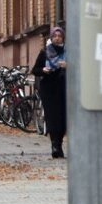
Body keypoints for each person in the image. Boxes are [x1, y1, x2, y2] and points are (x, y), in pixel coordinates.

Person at [34, 25, 67, 158]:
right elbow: (35, 70)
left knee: (63, 118)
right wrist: (43, 70)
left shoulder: (68, 52)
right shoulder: (45, 52)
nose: (57, 38)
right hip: (49, 89)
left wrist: (68, 65)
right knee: (53, 118)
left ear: (63, 38)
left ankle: (59, 143)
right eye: (55, 36)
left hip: (64, 88)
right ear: (51, 38)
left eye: (59, 36)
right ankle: (55, 145)